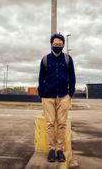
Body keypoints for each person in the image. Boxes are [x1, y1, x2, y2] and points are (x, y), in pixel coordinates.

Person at [38, 33, 76, 163]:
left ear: (63, 45)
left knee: (61, 124)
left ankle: (59, 150)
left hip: (63, 96)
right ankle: (51, 150)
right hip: (48, 97)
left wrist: (70, 94)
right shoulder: (45, 60)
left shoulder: (67, 59)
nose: (57, 46)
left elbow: (72, 77)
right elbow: (40, 78)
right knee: (49, 124)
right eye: (55, 44)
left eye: (60, 45)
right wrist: (42, 93)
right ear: (51, 45)